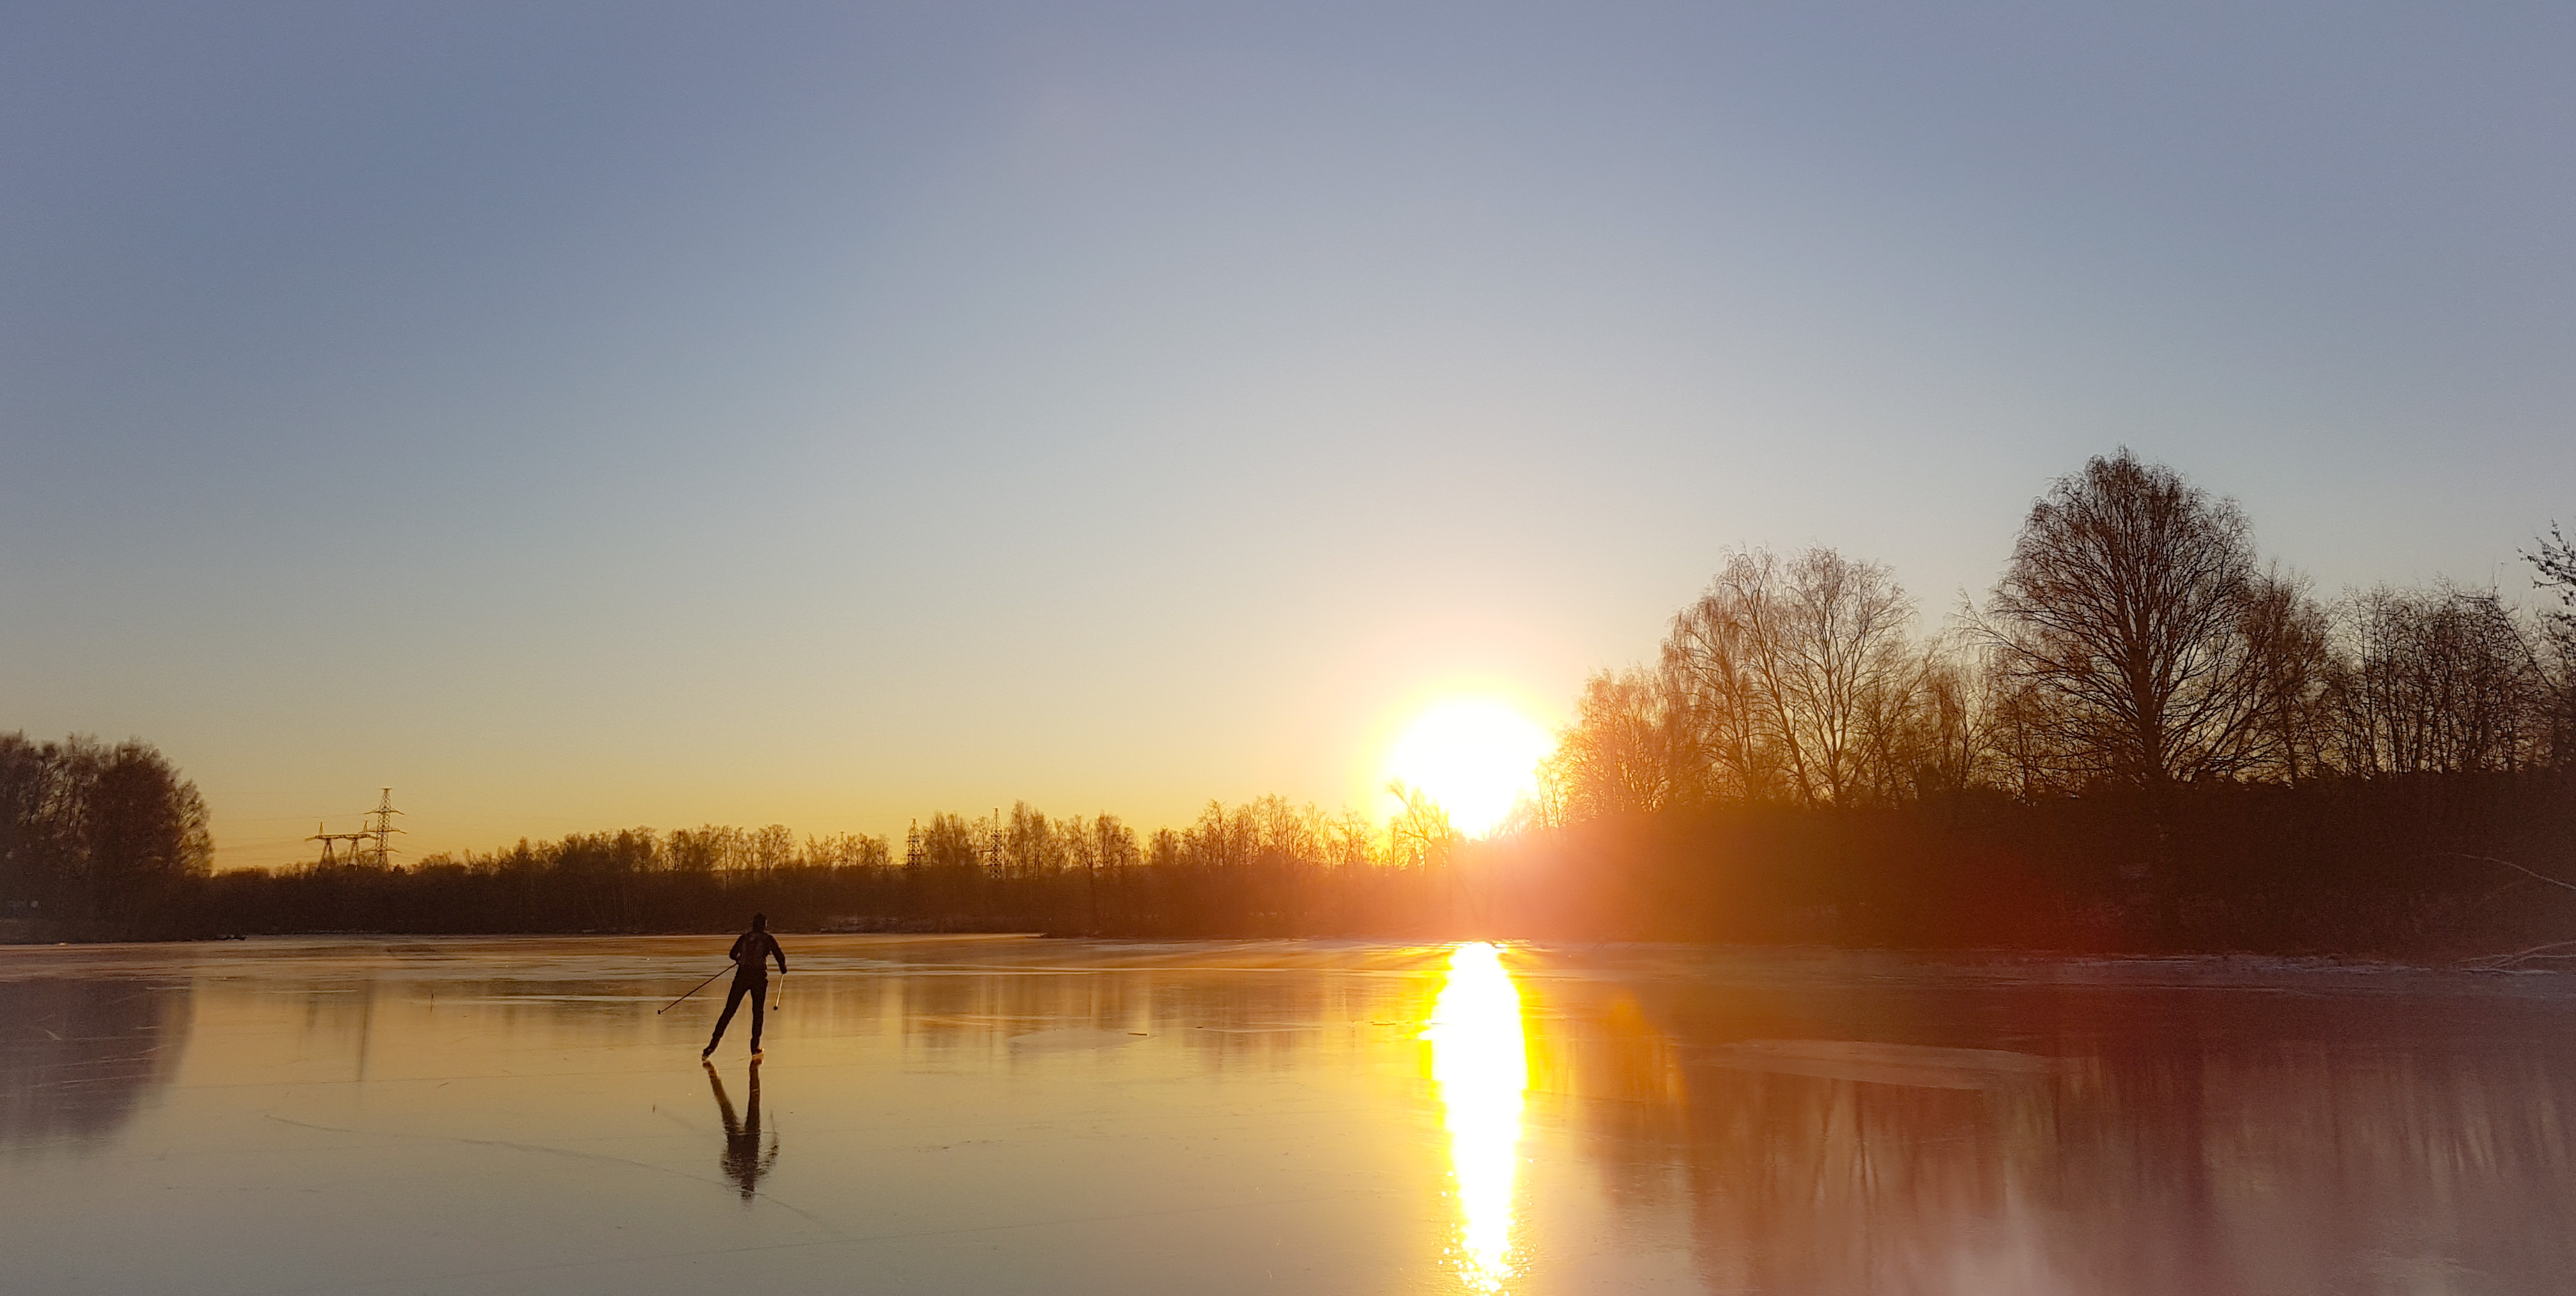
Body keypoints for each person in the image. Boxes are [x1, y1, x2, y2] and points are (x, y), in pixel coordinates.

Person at [702, 913, 786, 1058]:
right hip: (759, 978)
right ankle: (755, 1047)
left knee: (729, 1011)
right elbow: (779, 955)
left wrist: (739, 959)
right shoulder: (767, 939)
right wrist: (783, 968)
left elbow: (732, 954)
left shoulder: (745, 938)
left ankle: (712, 1045)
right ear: (764, 925)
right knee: (758, 1013)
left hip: (742, 976)